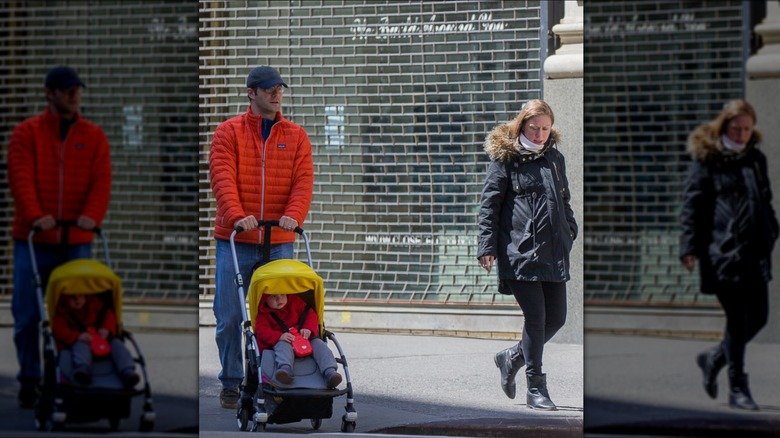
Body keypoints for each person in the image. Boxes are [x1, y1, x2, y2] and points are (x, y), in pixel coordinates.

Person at [209, 65, 314, 409]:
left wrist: (293, 216)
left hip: (280, 239)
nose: (276, 93)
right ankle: (231, 381)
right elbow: (222, 178)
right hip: (236, 241)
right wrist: (238, 218)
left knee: (281, 314)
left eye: (279, 88)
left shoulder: (296, 135)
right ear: (251, 93)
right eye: (268, 88)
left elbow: (303, 182)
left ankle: (272, 378)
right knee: (229, 317)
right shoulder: (228, 133)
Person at [7, 66, 111, 408]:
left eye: (76, 90)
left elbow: (101, 181)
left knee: (76, 313)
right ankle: (29, 378)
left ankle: (71, 375)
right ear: (49, 93)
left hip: (77, 238)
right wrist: (37, 217)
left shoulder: (93, 135)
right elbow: (20, 179)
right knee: (27, 315)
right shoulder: (27, 134)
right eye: (66, 90)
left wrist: (91, 217)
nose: (73, 95)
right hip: (34, 240)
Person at [477, 99, 577, 411]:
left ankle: (512, 357)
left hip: (553, 251)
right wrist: (487, 246)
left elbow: (564, 199)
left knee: (557, 318)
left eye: (545, 129)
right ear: (522, 125)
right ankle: (536, 388)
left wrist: (569, 228)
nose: (539, 134)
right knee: (536, 318)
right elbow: (489, 205)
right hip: (519, 251)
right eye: (534, 128)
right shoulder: (505, 159)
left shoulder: (554, 158)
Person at [680, 99, 778, 411]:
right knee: (737, 320)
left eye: (747, 129)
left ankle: (714, 357)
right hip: (722, 252)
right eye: (736, 128)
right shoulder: (708, 160)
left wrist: (771, 229)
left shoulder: (755, 159)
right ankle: (738, 387)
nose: (742, 134)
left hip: (755, 252)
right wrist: (689, 247)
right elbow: (692, 205)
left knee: (759, 317)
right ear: (725, 126)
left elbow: (765, 199)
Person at [51, 293, 140, 388]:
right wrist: (77, 335)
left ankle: (127, 371)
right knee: (81, 345)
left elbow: (108, 315)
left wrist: (107, 329)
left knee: (117, 344)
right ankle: (82, 368)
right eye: (73, 298)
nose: (77, 300)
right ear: (65, 299)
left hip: (102, 339)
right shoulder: (62, 312)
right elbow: (59, 329)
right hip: (81, 339)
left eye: (80, 296)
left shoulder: (94, 304)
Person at [255, 293, 342, 388]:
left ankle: (330, 372)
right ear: (265, 299)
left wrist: (308, 328)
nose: (279, 299)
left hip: (305, 339)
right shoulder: (264, 314)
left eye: (282, 295)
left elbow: (310, 314)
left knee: (320, 345)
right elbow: (262, 331)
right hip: (284, 340)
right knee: (282, 346)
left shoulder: (296, 303)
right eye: (273, 296)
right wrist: (278, 336)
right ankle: (285, 369)